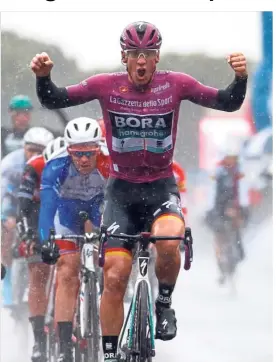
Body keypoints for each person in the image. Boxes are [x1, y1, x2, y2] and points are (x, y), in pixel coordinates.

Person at [31, 21, 248, 362]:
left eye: (147, 53)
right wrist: (43, 78)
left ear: (157, 56)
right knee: (115, 277)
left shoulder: (177, 84)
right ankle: (109, 353)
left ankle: (164, 305)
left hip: (161, 186)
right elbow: (54, 99)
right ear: (124, 57)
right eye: (134, 54)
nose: (141, 61)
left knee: (169, 240)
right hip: (121, 193)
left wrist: (240, 79)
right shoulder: (106, 86)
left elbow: (227, 103)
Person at [39, 117, 110, 362]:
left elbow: (120, 200)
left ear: (98, 149)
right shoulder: (56, 165)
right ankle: (64, 347)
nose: (83, 159)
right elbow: (47, 207)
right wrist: (45, 239)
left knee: (113, 265)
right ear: (68, 150)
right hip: (66, 216)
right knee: (67, 270)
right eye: (77, 153)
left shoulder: (110, 162)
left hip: (99, 212)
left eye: (89, 153)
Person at [17, 136, 68, 362]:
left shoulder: (79, 165)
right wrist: (28, 234)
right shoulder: (34, 167)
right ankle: (39, 340)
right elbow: (23, 207)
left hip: (68, 215)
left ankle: (71, 329)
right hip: (39, 216)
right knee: (38, 272)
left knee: (70, 273)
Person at [1, 127, 54, 308]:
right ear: (23, 147)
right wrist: (6, 216)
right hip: (13, 203)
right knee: (8, 229)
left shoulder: (50, 162)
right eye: (30, 149)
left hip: (38, 206)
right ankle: (7, 284)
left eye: (39, 151)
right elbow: (2, 192)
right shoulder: (11, 163)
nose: (34, 154)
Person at [205, 139, 250, 285]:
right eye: (228, 157)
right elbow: (211, 191)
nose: (231, 160)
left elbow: (243, 190)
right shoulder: (217, 172)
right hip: (218, 207)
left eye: (233, 158)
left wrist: (243, 208)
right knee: (218, 236)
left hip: (235, 206)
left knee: (237, 232)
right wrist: (211, 209)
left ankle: (237, 253)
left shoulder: (239, 172)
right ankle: (221, 263)